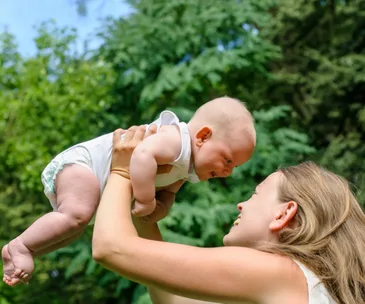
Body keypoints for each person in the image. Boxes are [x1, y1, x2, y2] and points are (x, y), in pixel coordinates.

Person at [92, 126, 365, 304]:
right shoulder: (309, 287)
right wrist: (145, 215)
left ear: (284, 213)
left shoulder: (281, 273)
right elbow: (174, 300)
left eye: (256, 194)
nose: (241, 204)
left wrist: (121, 171)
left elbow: (111, 248)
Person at [2, 97, 256, 287]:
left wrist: (164, 205)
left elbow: (171, 189)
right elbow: (143, 156)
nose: (228, 172)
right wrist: (146, 199)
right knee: (76, 215)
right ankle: (21, 245)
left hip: (96, 180)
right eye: (227, 160)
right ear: (202, 137)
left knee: (76, 225)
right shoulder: (176, 140)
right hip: (85, 165)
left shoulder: (187, 167)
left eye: (233, 167)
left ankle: (30, 250)